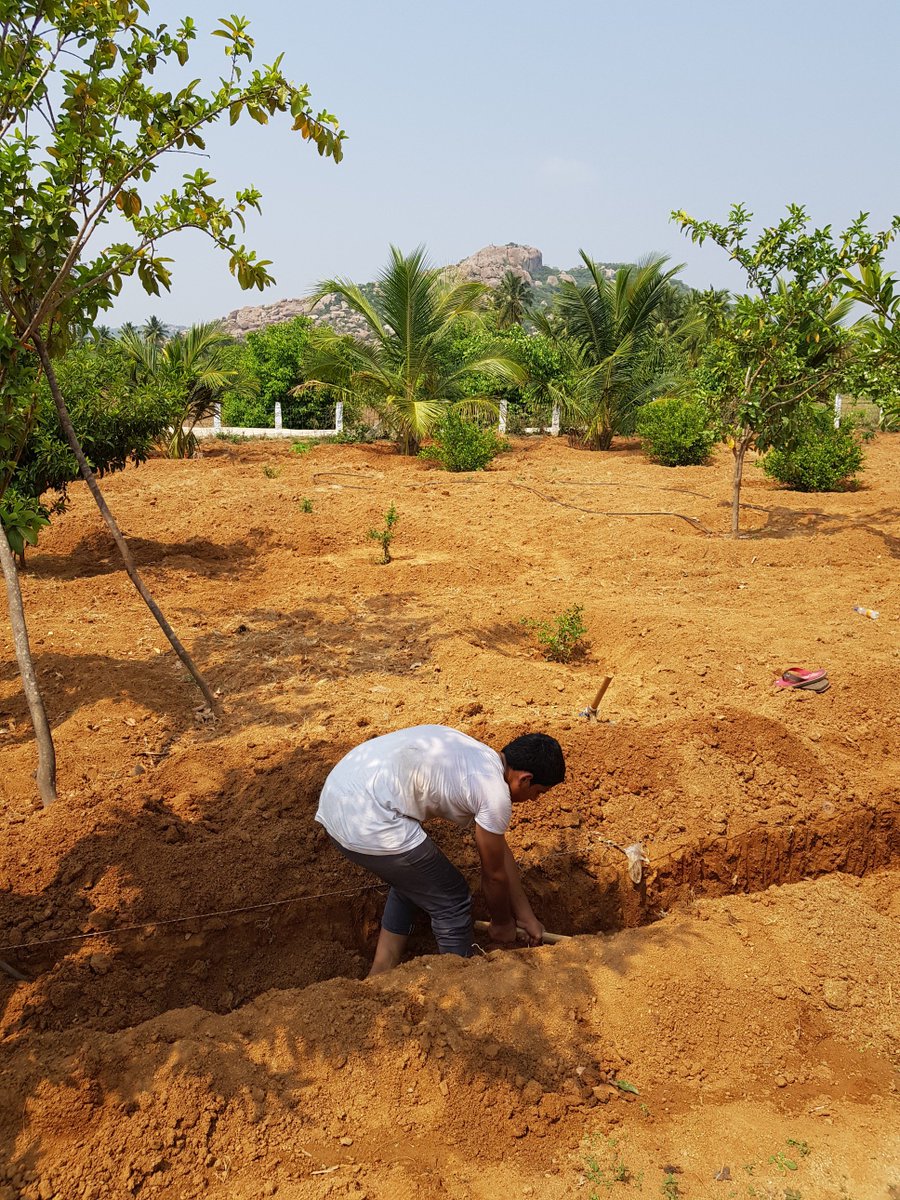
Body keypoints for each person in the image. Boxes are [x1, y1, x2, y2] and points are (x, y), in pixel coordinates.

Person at [315, 724, 565, 976]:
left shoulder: (477, 754)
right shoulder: (495, 794)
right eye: (538, 793)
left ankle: (380, 971)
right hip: (366, 819)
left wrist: (525, 917)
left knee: (418, 881)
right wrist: (501, 923)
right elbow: (494, 875)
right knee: (451, 899)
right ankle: (454, 987)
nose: (534, 800)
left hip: (340, 795)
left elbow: (499, 854)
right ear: (525, 779)